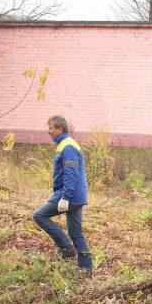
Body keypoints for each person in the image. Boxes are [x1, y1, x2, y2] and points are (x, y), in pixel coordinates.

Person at [32, 115, 93, 273]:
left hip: (69, 194)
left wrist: (65, 197)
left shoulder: (68, 146)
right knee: (76, 232)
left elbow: (71, 174)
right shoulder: (66, 144)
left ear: (60, 129)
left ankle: (66, 248)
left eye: (51, 128)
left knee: (39, 215)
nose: (49, 131)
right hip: (76, 195)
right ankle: (86, 267)